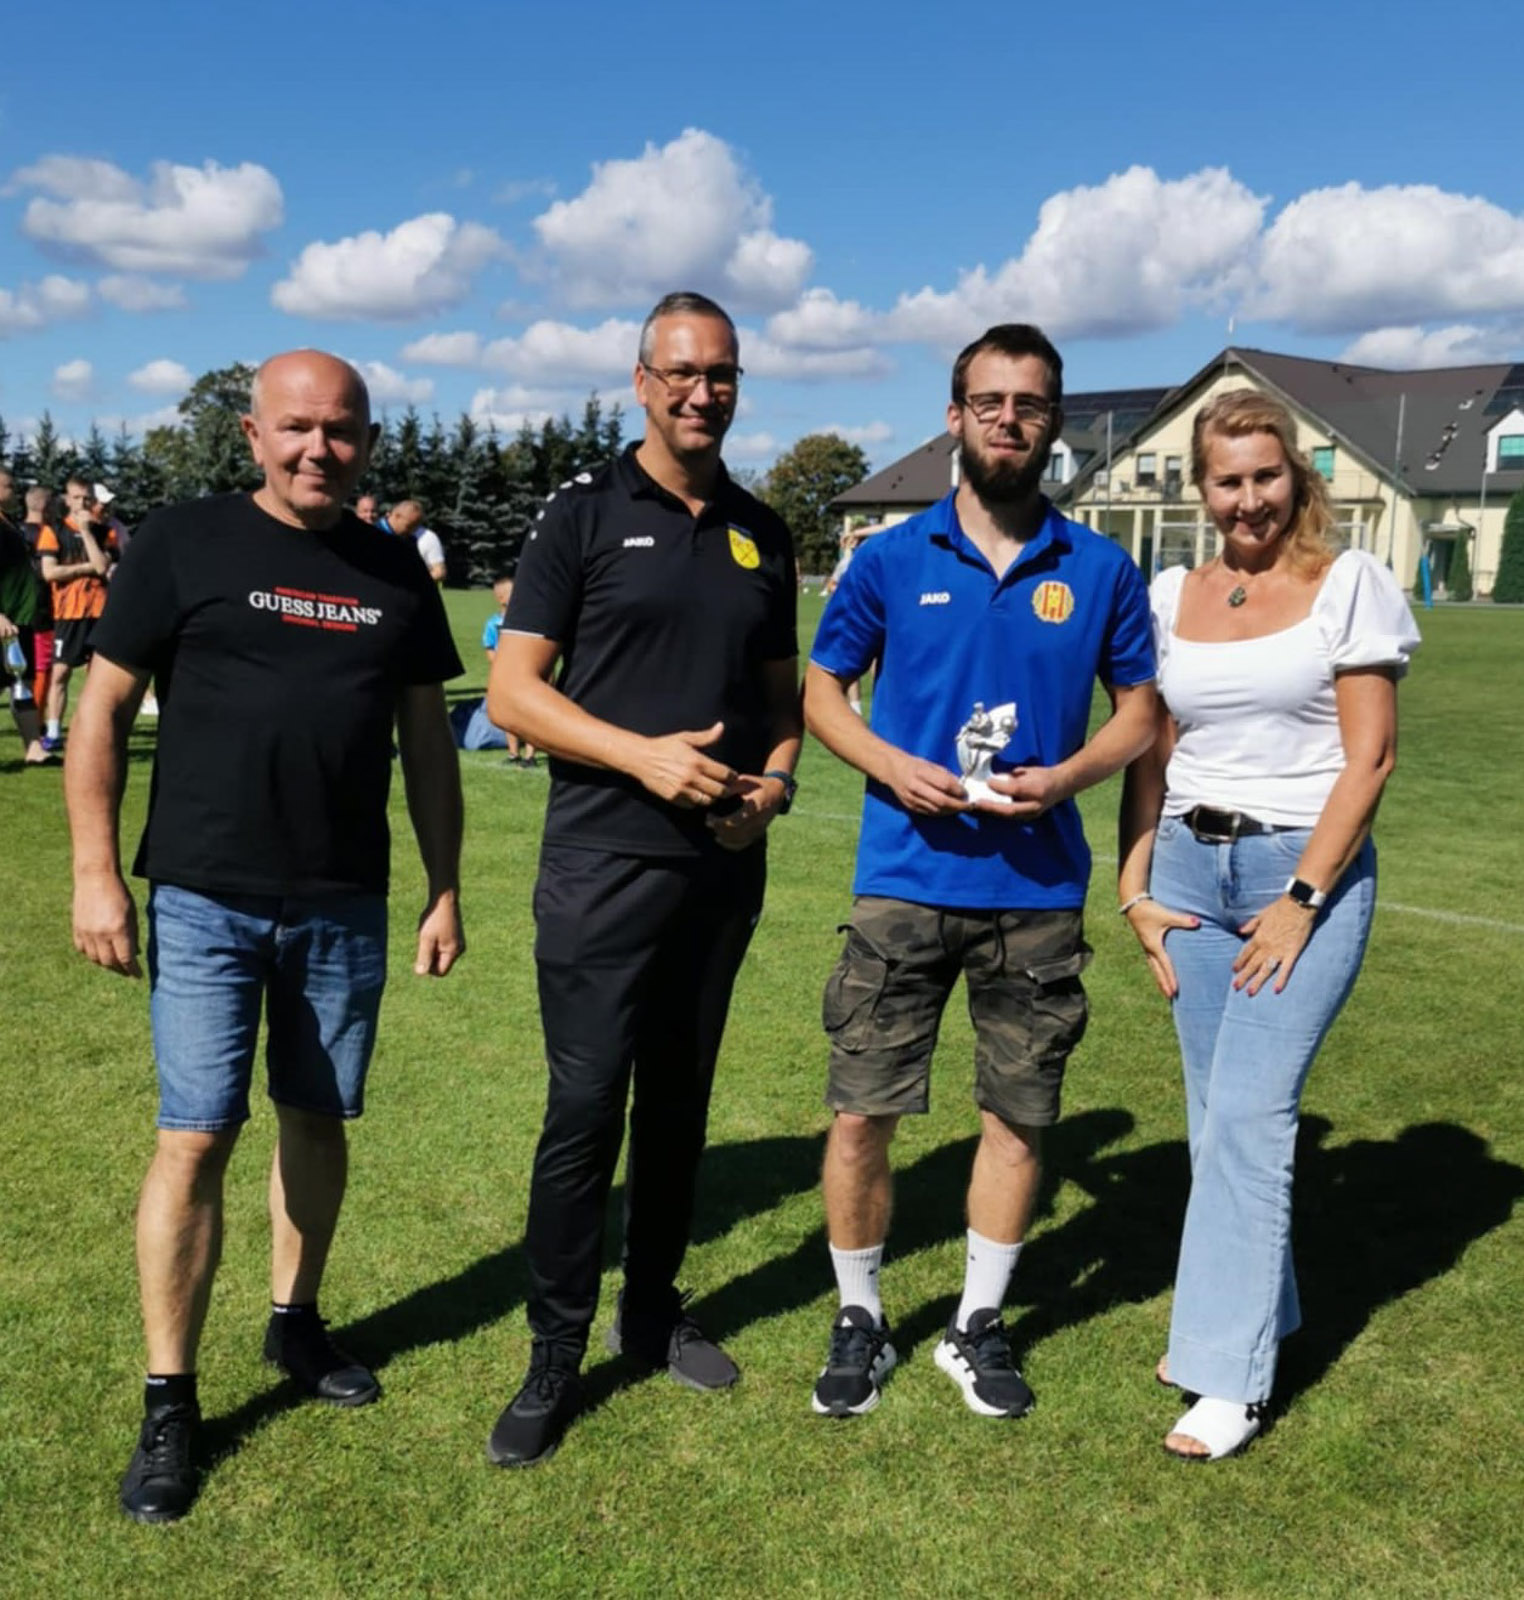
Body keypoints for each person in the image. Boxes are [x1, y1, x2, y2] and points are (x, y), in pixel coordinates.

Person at [66, 349, 466, 1524]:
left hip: (341, 899)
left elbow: (427, 742)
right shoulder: (182, 542)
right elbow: (101, 707)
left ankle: (296, 1322)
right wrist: (95, 872)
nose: (317, 449)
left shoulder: (393, 569)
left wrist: (445, 886)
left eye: (340, 431)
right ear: (253, 435)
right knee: (195, 1136)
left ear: (368, 442)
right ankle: (169, 1400)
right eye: (296, 428)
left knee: (315, 1115)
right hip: (205, 896)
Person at [803, 323, 1158, 1421]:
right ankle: (860, 1316)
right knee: (862, 1113)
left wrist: (1068, 778)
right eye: (990, 401)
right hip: (904, 880)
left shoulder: (1100, 568)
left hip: (1035, 891)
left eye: (1030, 404)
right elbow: (821, 692)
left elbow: (1140, 713)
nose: (1010, 421)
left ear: (1055, 422)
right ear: (955, 416)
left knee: (1018, 1117)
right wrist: (892, 766)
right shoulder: (890, 557)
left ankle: (978, 1323)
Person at [485, 290, 801, 1468]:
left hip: (719, 870)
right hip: (601, 862)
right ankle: (554, 1351)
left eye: (720, 374)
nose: (700, 392)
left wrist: (773, 787)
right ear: (641, 381)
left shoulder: (762, 530)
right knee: (584, 1109)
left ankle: (652, 1311)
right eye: (680, 372)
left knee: (678, 1106)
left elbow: (782, 706)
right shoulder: (582, 512)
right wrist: (643, 757)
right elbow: (514, 693)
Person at [1117, 389, 1420, 1461]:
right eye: (1227, 480)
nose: (1248, 499)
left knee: (1251, 1112)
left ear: (1296, 476)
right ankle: (1259, 1308)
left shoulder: (1351, 583)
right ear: (1199, 489)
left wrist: (1300, 902)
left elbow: (1371, 759)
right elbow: (1152, 751)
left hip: (1302, 873)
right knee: (1215, 1119)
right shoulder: (1170, 593)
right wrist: (1134, 885)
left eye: (1265, 476)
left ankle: (1227, 1375)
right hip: (1189, 871)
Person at [36, 478, 115, 749]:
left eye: (86, 498)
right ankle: (54, 732)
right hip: (68, 612)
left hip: (99, 611)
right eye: (76, 498)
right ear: (67, 499)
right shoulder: (53, 531)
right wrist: (86, 568)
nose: (82, 503)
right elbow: (49, 572)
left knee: (99, 677)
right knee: (60, 673)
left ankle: (93, 732)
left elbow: (103, 567)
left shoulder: (104, 532)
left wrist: (87, 532)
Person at [0, 469, 50, 764]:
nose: (15, 491)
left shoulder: (9, 524)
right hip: (3, 620)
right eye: (9, 486)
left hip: (20, 619)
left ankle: (34, 748)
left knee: (22, 682)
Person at [481, 574, 535, 765]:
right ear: (501, 598)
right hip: (505, 674)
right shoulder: (492, 624)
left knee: (530, 714)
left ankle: (530, 755)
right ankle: (513, 753)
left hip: (526, 673)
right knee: (509, 715)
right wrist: (501, 668)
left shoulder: (527, 620)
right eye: (514, 593)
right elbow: (489, 648)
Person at [19, 485, 57, 710]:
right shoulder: (47, 534)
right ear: (46, 506)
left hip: (16, 608)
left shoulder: (14, 530)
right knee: (42, 667)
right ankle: (38, 719)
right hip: (41, 609)